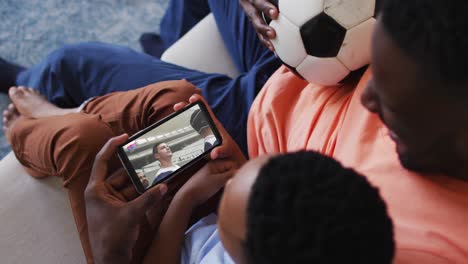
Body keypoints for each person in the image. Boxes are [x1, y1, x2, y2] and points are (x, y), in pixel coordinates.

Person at [244, 0, 468, 262]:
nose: (366, 99)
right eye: (374, 76)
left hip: (252, 124)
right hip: (287, 51)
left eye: (389, 103)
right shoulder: (419, 52)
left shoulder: (415, 243)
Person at [0, 0, 282, 156]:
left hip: (264, 114)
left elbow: (145, 163)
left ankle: (28, 84)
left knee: (70, 65)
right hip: (291, 71)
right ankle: (163, 58)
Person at [86, 134, 395, 264]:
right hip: (185, 216)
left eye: (229, 197)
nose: (231, 181)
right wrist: (192, 195)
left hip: (156, 246)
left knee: (79, 139)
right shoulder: (344, 234)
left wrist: (186, 198)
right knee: (175, 97)